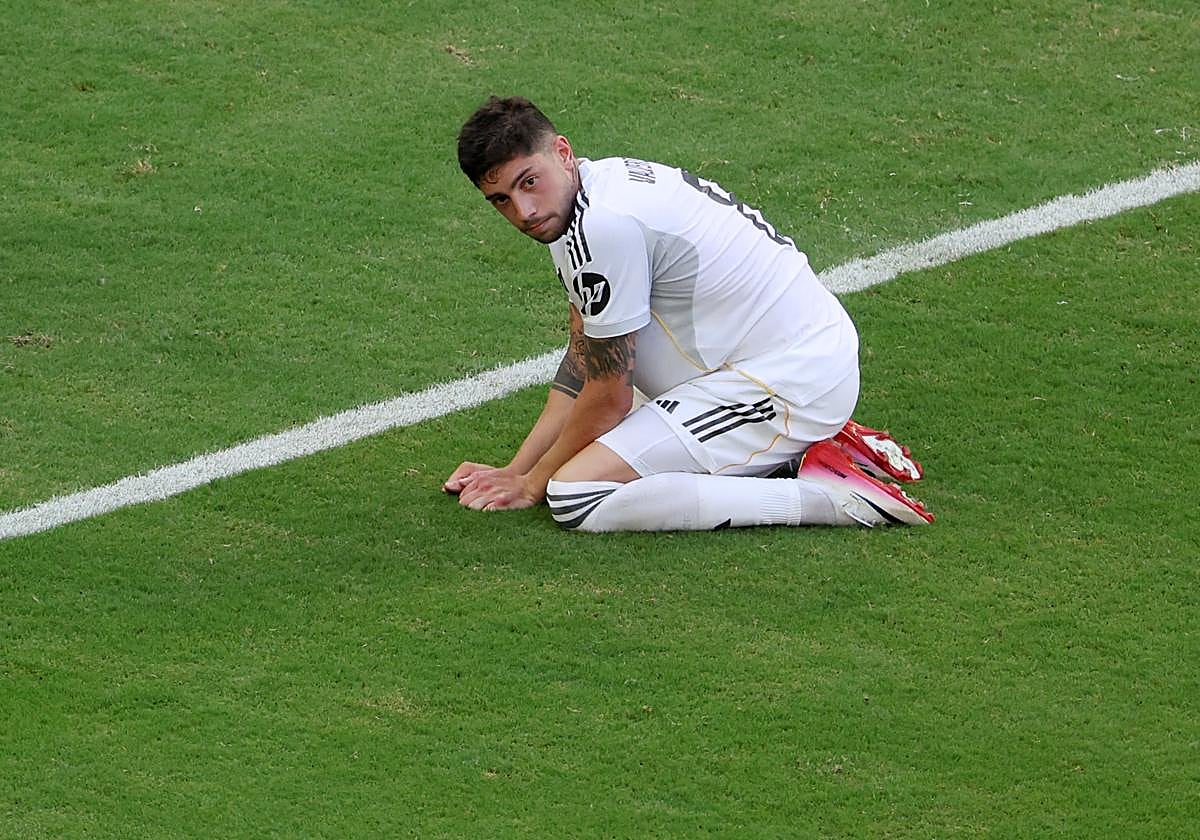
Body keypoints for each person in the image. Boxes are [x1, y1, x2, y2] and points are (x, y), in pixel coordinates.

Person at [443, 95, 933, 532]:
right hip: (764, 359)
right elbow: (584, 357)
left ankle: (831, 497)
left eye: (529, 183)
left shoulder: (606, 226)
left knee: (575, 495)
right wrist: (518, 469)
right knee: (587, 443)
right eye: (502, 200)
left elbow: (610, 394)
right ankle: (800, 450)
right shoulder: (581, 201)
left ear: (564, 153)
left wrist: (535, 485)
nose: (524, 211)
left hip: (788, 381)